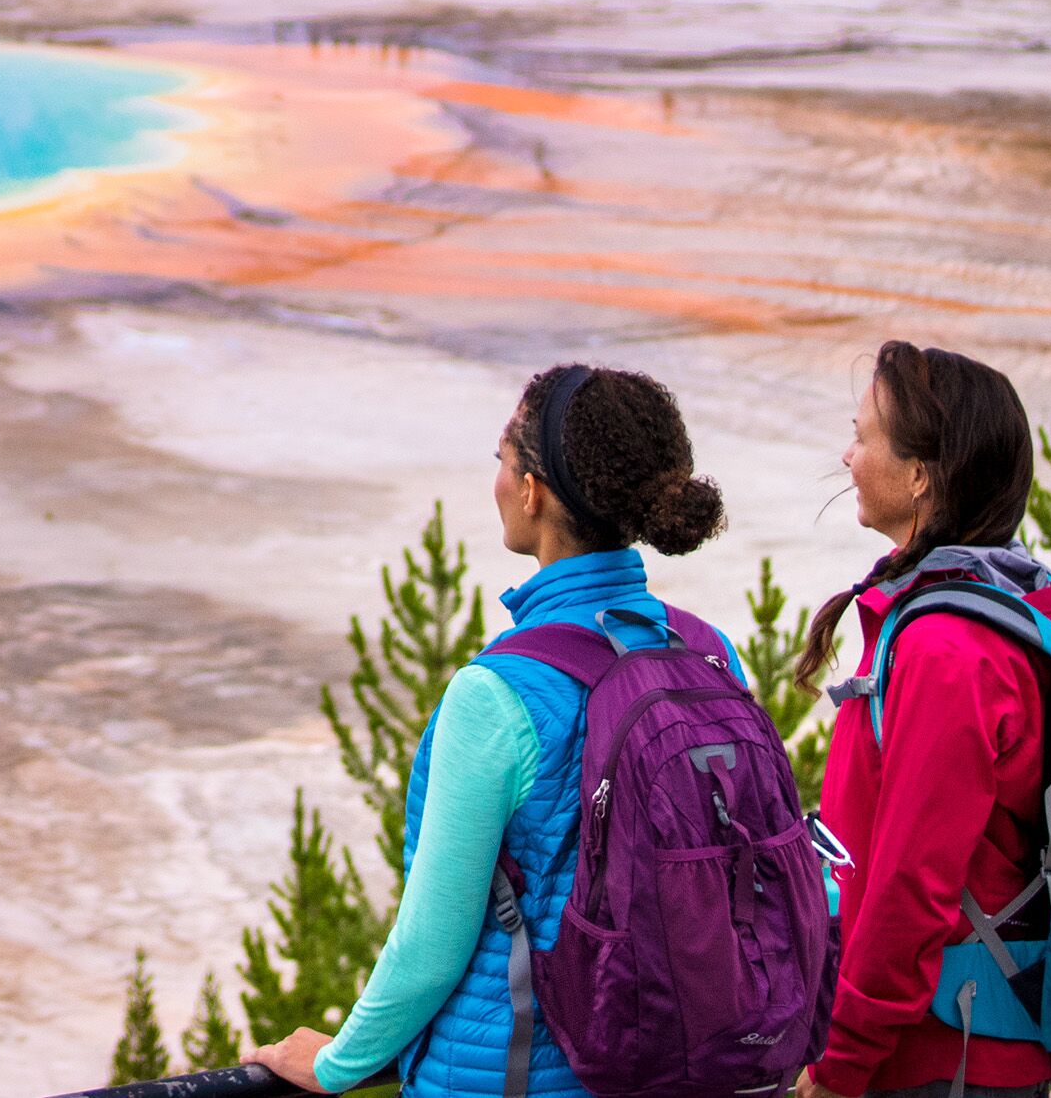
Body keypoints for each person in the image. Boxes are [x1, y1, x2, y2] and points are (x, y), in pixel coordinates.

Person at [249, 364, 732, 1098]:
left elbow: (431, 944)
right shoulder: (709, 652)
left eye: (502, 462)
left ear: (532, 490)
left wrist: (336, 1061)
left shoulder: (498, 692)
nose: (499, 482)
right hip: (680, 1070)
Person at [796, 341, 1051, 1098]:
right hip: (969, 1041)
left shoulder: (948, 649)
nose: (847, 455)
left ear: (920, 475)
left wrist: (839, 1062)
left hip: (943, 1060)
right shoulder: (1005, 606)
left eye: (863, 434)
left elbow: (911, 884)